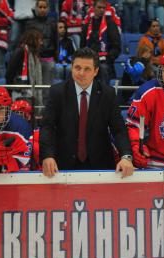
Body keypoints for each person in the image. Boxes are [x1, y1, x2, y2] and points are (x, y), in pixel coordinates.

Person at [39, 47, 134, 177]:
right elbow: (47, 127)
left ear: (96, 71)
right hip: (63, 164)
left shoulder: (108, 94)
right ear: (72, 67)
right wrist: (47, 156)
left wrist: (126, 156)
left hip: (101, 166)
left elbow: (118, 130)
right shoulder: (57, 92)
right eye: (77, 68)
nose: (81, 73)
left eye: (87, 69)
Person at [80, 0, 121, 83]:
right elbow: (82, 46)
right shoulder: (87, 25)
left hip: (105, 61)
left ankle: (103, 95)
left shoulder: (111, 25)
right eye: (99, 7)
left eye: (103, 8)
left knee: (102, 68)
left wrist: (108, 58)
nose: (102, 10)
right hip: (88, 60)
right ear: (93, 8)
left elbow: (116, 47)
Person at [26, 0, 58, 106]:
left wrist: (55, 57)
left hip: (48, 59)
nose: (42, 9)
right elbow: (27, 42)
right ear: (36, 8)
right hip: (34, 60)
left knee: (48, 89)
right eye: (40, 7)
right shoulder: (30, 24)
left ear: (48, 9)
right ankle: (36, 112)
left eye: (45, 7)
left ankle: (46, 112)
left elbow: (56, 40)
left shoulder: (53, 23)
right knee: (34, 88)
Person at [6, 28, 43, 104]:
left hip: (29, 91)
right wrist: (12, 89)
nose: (41, 43)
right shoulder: (20, 52)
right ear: (33, 40)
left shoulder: (34, 55)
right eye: (39, 40)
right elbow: (9, 73)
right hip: (19, 92)